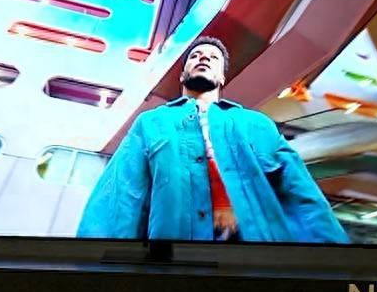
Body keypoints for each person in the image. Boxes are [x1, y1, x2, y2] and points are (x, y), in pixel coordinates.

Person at [76, 35, 348, 243]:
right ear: (182, 74)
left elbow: (299, 190)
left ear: (222, 77)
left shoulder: (256, 124)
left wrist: (331, 258)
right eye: (195, 55)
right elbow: (120, 196)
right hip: (175, 262)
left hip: (257, 262)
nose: (203, 58)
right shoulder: (151, 123)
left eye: (213, 58)